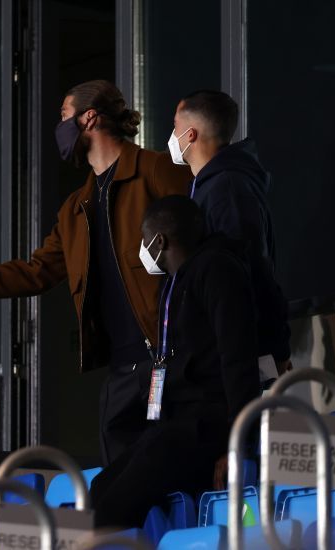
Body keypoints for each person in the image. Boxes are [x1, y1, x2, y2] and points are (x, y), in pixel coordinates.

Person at [0, 80, 191, 465]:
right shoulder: (75, 208)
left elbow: (199, 251)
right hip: (121, 371)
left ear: (89, 118)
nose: (60, 126)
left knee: (175, 469)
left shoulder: (154, 170)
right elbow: (35, 272)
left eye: (64, 116)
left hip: (169, 358)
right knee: (118, 482)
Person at [89, 195, 261, 528]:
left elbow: (237, 361)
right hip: (171, 426)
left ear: (160, 240)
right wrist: (154, 419)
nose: (143, 250)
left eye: (144, 241)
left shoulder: (217, 269)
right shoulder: (173, 284)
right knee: (99, 489)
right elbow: (163, 363)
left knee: (114, 508)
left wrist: (235, 444)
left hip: (206, 426)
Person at [169, 90, 291, 374]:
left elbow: (254, 270)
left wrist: (277, 346)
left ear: (190, 134)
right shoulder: (207, 187)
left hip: (238, 354)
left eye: (175, 126)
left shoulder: (227, 189)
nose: (172, 137)